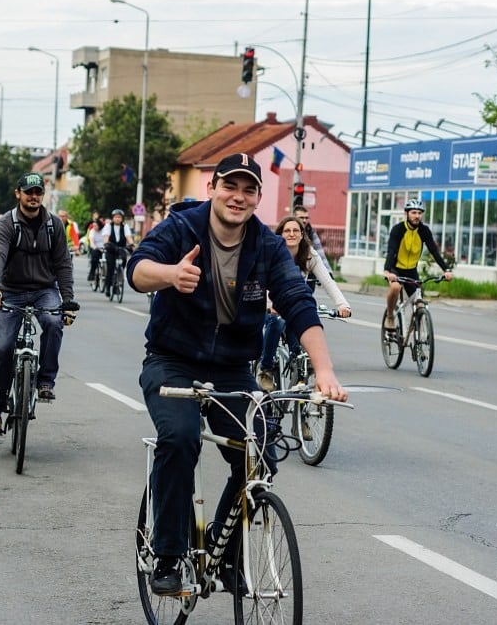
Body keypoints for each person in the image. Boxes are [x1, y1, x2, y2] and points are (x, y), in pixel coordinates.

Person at [127, 152, 348, 596]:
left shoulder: (265, 246)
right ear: (212, 188)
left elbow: (296, 302)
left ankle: (225, 554)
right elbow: (138, 269)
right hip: (172, 361)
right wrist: (171, 275)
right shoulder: (182, 227)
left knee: (260, 450)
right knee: (181, 438)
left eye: (249, 189)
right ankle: (168, 556)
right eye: (231, 186)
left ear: (258, 198)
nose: (238, 196)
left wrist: (323, 370)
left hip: (231, 368)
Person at [0, 172, 77, 435]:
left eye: (38, 192)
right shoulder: (6, 223)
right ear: (18, 194)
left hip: (44, 289)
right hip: (10, 291)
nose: (33, 197)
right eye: (28, 192)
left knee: (54, 322)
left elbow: (63, 265)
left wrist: (67, 301)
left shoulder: (54, 225)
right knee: (2, 347)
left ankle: (46, 381)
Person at [257, 215, 352, 392]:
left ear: (302, 234)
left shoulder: (309, 254)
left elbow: (328, 282)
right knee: (277, 322)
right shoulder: (272, 252)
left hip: (294, 306)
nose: (291, 234)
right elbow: (261, 285)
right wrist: (269, 305)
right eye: (287, 230)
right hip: (272, 306)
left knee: (301, 329)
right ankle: (266, 369)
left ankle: (299, 369)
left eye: (296, 230)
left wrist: (342, 305)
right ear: (280, 234)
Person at [382, 199, 453, 330]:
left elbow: (434, 251)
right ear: (406, 213)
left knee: (420, 304)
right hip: (395, 269)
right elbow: (391, 251)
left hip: (411, 271)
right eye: (413, 212)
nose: (417, 216)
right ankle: (390, 316)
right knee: (396, 288)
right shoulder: (398, 229)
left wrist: (446, 269)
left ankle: (417, 332)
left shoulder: (423, 230)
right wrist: (387, 271)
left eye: (419, 213)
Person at [100, 208, 133, 296]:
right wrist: (106, 243)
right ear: (112, 218)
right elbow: (106, 237)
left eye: (119, 217)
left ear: (122, 218)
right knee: (110, 268)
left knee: (123, 261)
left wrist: (131, 244)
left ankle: (117, 284)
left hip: (121, 248)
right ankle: (108, 287)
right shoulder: (108, 226)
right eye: (116, 217)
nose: (117, 219)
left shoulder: (125, 226)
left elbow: (128, 237)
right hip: (111, 249)